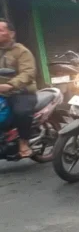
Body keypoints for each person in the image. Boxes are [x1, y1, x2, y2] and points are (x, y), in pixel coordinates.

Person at [0, 19, 37, 158]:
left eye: (0, 30)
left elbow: (28, 72)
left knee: (21, 112)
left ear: (11, 33)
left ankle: (23, 142)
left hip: (21, 91)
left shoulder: (21, 51)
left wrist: (10, 85)